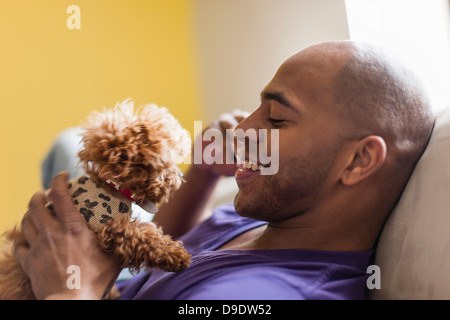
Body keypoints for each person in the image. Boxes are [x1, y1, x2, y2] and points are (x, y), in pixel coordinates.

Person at [15, 41, 434, 300]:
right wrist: (202, 174)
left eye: (275, 118)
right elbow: (172, 246)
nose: (243, 127)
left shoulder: (258, 294)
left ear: (358, 161)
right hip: (123, 279)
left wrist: (67, 288)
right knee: (70, 143)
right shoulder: (273, 213)